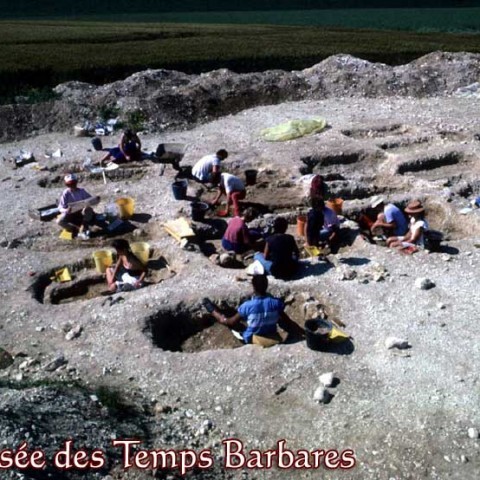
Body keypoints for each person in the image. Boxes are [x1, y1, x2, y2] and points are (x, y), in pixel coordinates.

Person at [206, 275, 304, 344]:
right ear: (266, 286)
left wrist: (213, 311)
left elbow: (230, 322)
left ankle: (211, 309)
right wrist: (304, 332)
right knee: (279, 318)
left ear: (253, 287)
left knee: (238, 326)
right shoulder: (276, 303)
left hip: (252, 338)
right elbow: (289, 321)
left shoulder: (247, 305)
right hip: (272, 335)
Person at [57, 174, 99, 239]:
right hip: (71, 213)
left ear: (76, 183)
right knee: (59, 221)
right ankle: (75, 229)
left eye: (73, 183)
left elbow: (91, 200)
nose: (72, 186)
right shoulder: (65, 193)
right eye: (69, 184)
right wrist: (66, 210)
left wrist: (95, 199)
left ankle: (84, 225)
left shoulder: (82, 191)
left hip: (82, 212)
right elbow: (60, 207)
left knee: (88, 210)